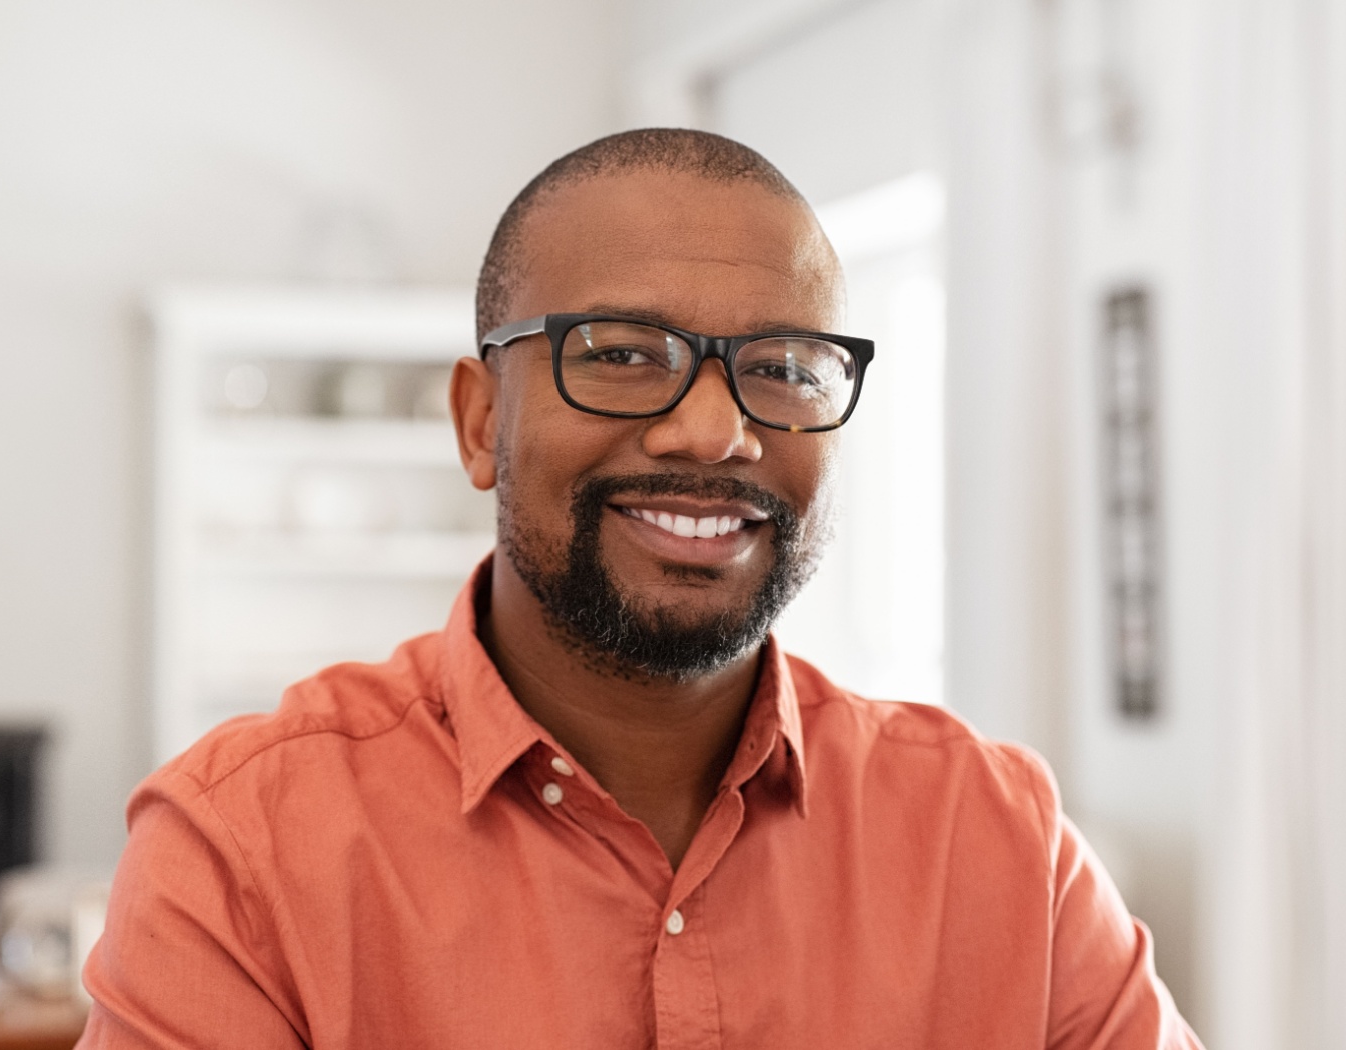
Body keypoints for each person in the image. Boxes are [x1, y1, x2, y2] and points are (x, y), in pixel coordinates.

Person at [77, 129, 1202, 1049]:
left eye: (782, 368)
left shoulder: (996, 840)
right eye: (621, 354)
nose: (715, 432)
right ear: (481, 422)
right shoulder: (245, 850)